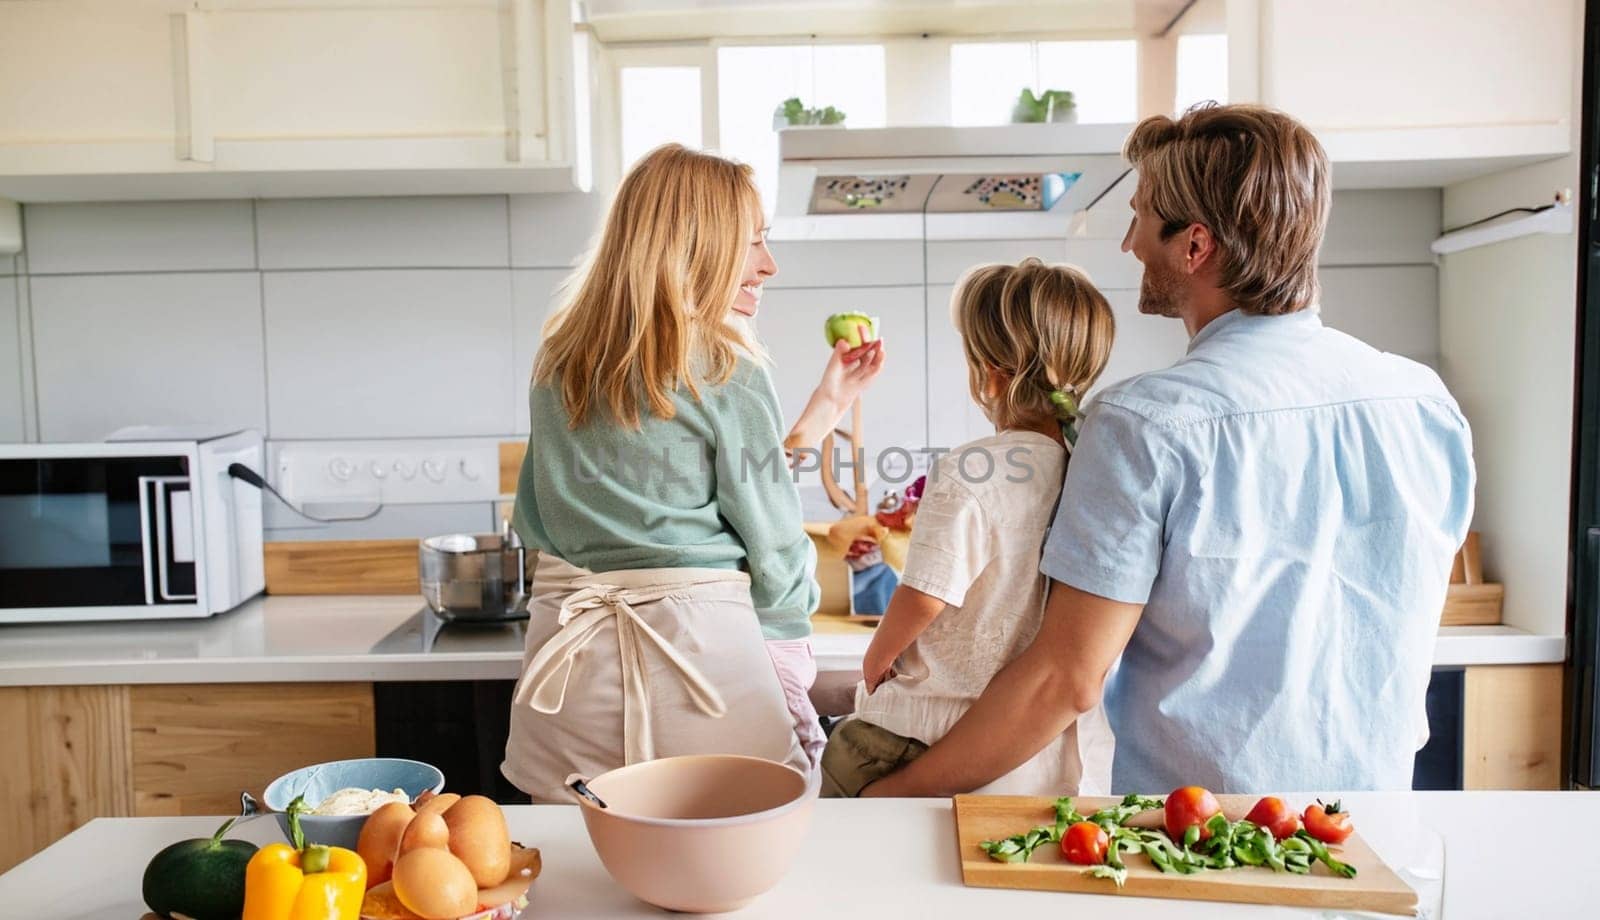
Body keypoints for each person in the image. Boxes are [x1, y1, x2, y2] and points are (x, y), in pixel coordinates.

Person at [863, 104, 1475, 797]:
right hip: (1370, 825)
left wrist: (889, 797)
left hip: (1200, 837)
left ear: (1195, 246)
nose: (1128, 244)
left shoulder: (1143, 425)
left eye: (1141, 216)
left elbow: (1066, 679)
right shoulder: (1425, 404)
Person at [501, 144, 885, 801]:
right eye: (751, 243)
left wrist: (826, 408)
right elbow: (768, 527)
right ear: (693, 245)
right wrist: (790, 644)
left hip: (569, 671)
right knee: (736, 871)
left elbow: (548, 518)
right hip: (704, 673)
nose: (769, 264)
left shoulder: (559, 358)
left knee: (580, 878)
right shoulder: (728, 361)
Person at [820, 258, 1117, 797]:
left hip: (925, 734)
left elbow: (926, 593)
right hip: (1038, 756)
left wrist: (877, 654)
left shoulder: (969, 469)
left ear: (991, 376)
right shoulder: (1088, 467)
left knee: (830, 784)